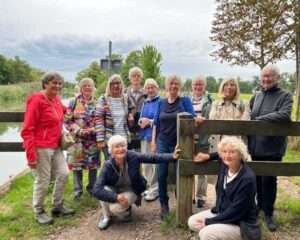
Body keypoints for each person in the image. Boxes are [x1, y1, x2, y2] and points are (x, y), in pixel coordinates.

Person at [93, 135, 180, 230]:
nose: (120, 149)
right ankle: (106, 217)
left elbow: (153, 157)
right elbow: (96, 190)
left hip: (131, 189)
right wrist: (115, 197)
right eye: (117, 147)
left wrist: (172, 156)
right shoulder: (107, 165)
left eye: (123, 146)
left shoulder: (133, 156)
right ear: (111, 150)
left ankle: (126, 212)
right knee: (104, 190)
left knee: (115, 209)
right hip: (115, 189)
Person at [21, 72, 75, 225]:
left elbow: (60, 109)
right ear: (45, 84)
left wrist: (67, 111)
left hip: (56, 145)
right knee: (43, 180)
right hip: (41, 147)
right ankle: (39, 211)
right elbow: (27, 129)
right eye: (54, 83)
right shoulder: (36, 100)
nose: (57, 86)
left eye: (59, 83)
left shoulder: (56, 98)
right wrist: (30, 155)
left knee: (64, 173)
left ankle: (57, 206)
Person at [248, 64, 292, 232]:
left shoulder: (285, 95)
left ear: (277, 78)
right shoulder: (257, 96)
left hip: (273, 147)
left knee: (269, 180)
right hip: (256, 146)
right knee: (257, 178)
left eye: (270, 76)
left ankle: (268, 213)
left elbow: (284, 114)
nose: (266, 79)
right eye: (263, 76)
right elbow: (249, 115)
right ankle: (259, 207)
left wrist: (261, 119)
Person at [188, 137, 260, 240]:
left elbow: (236, 211)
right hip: (222, 213)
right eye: (224, 152)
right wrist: (208, 156)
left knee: (206, 233)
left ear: (240, 154)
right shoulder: (225, 165)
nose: (227, 155)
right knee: (192, 221)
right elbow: (220, 154)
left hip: (240, 223)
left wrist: (209, 222)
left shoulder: (247, 179)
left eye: (232, 152)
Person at [151, 74, 197, 220]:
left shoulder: (185, 101)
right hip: (163, 142)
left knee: (180, 173)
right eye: (171, 83)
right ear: (166, 85)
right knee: (161, 174)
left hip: (180, 142)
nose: (173, 86)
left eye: (176, 83)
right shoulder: (161, 103)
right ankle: (164, 205)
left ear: (180, 86)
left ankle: (181, 204)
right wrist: (153, 142)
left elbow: (192, 118)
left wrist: (198, 120)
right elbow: (156, 124)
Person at [64, 78, 99, 200]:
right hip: (77, 141)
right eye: (85, 85)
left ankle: (92, 188)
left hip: (92, 141)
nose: (87, 87)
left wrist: (94, 129)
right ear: (80, 88)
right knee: (77, 166)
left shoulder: (97, 102)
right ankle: (77, 191)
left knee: (93, 166)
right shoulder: (73, 102)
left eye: (90, 85)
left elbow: (100, 120)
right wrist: (78, 130)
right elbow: (67, 120)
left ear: (93, 88)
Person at [95, 74, 133, 159]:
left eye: (118, 83)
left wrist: (131, 115)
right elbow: (98, 120)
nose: (116, 85)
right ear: (109, 85)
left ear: (121, 85)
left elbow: (132, 108)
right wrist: (100, 139)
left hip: (123, 138)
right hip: (109, 139)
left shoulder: (125, 98)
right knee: (111, 166)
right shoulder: (103, 99)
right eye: (113, 83)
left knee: (124, 165)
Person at [209, 77, 250, 153]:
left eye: (232, 85)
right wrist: (221, 102)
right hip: (218, 146)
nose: (229, 87)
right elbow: (212, 121)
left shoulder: (244, 103)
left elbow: (245, 123)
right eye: (226, 85)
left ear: (236, 88)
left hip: (237, 147)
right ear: (222, 87)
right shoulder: (216, 104)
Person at [190, 75, 213, 208]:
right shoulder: (187, 99)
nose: (198, 87)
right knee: (189, 166)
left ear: (204, 86)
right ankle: (191, 195)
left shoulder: (209, 100)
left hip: (203, 139)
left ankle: (201, 196)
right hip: (189, 139)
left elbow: (211, 117)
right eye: (195, 84)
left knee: (202, 169)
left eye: (200, 84)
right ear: (192, 86)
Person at [138, 78, 160, 201]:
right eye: (148, 88)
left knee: (154, 163)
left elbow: (160, 120)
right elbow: (142, 117)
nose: (150, 90)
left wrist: (149, 122)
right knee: (145, 163)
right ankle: (149, 186)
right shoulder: (145, 102)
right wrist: (140, 121)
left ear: (156, 88)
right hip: (144, 135)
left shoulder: (160, 102)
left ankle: (155, 189)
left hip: (154, 136)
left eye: (152, 87)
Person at [126, 67, 146, 149]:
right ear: (130, 78)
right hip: (128, 127)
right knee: (129, 154)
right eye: (134, 76)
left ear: (141, 78)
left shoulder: (146, 93)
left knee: (141, 154)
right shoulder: (124, 93)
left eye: (138, 76)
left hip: (142, 128)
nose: (136, 78)